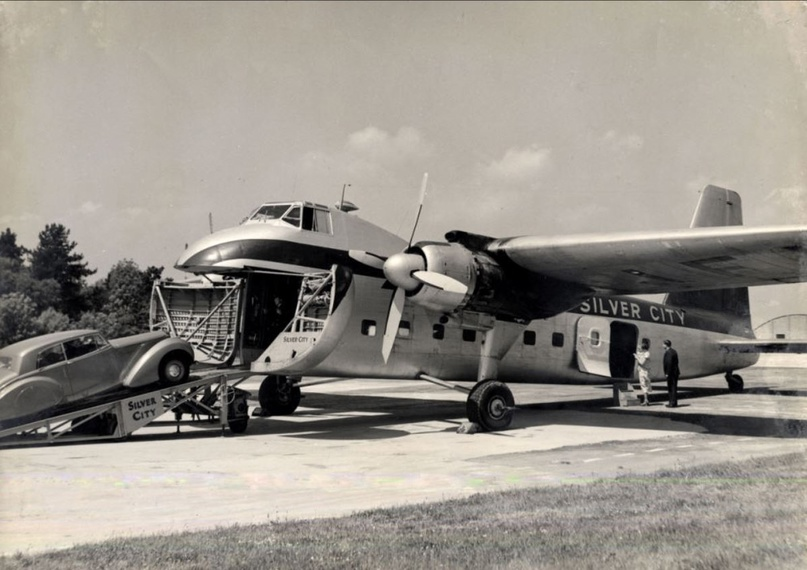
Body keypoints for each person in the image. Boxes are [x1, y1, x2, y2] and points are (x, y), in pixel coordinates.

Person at [662, 339, 680, 408]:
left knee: (671, 388)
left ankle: (672, 403)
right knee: (674, 388)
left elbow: (669, 363)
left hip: (671, 373)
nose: (662, 345)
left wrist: (667, 373)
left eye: (663, 344)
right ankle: (673, 402)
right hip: (675, 372)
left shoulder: (668, 352)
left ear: (666, 345)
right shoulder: (673, 351)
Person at [633, 340, 652, 406]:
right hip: (644, 371)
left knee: (644, 385)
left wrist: (637, 357)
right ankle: (646, 400)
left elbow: (642, 363)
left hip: (644, 371)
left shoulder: (646, 354)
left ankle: (646, 400)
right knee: (645, 385)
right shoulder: (644, 353)